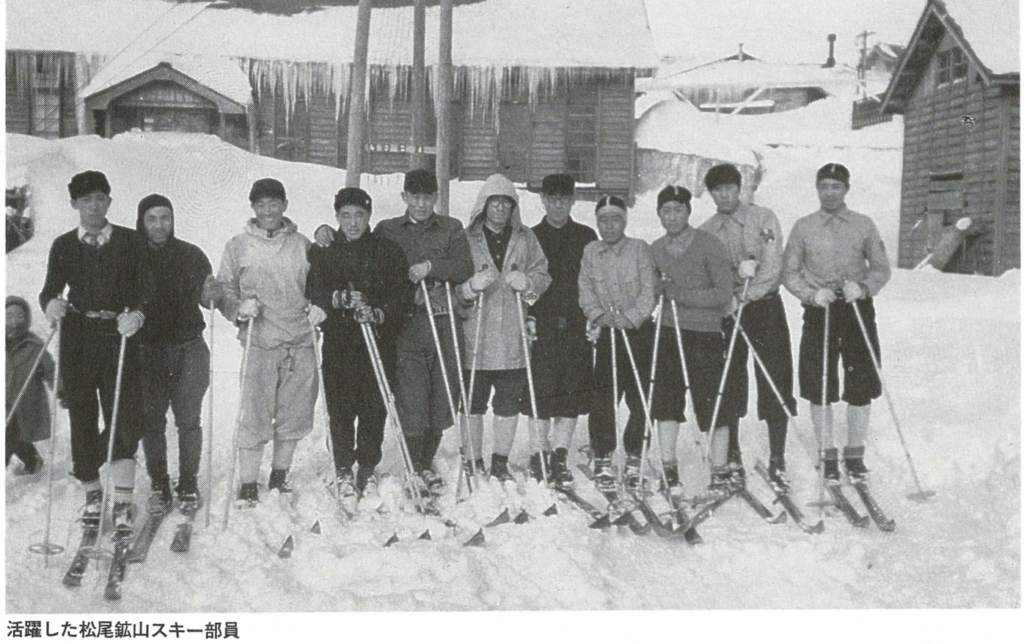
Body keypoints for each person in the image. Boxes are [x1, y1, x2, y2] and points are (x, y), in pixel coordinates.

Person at [39, 170, 151, 534]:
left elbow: (146, 288)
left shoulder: (131, 242)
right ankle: (91, 491)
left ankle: (122, 499)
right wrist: (51, 305)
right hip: (79, 337)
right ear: (74, 204)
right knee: (83, 416)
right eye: (86, 199)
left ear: (109, 202)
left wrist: (137, 312)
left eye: (100, 198)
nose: (94, 206)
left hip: (120, 335)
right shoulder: (64, 245)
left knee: (124, 414)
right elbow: (50, 290)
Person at [215, 178, 323, 506]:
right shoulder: (238, 246)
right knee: (255, 415)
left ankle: (279, 474)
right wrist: (238, 308)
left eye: (273, 204)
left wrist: (319, 305)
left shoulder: (303, 244)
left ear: (285, 205)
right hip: (260, 342)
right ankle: (248, 481)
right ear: (252, 208)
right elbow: (223, 289)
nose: (267, 211)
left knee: (294, 413)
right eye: (260, 205)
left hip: (300, 340)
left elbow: (318, 284)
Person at [782, 163, 891, 484]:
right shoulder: (804, 227)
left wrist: (865, 286)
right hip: (821, 310)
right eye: (824, 186)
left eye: (836, 186)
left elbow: (881, 268)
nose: (829, 192)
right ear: (817, 189)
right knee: (819, 381)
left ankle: (855, 453)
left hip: (857, 308)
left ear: (846, 189)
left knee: (861, 379)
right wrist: (812, 294)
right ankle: (827, 452)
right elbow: (789, 272)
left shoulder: (863, 225)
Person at [373, 169, 474, 495]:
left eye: (427, 197)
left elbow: (463, 268)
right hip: (409, 323)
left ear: (435, 198)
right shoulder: (388, 230)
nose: (420, 203)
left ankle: (426, 459)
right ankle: (415, 464)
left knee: (443, 394)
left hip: (445, 321)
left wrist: (431, 267)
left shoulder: (452, 228)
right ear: (404, 197)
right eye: (414, 197)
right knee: (412, 394)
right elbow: (373, 265)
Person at [306, 187, 410, 500]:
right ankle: (342, 467)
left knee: (373, 408)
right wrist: (336, 299)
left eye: (360, 216)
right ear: (337, 217)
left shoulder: (387, 250)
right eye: (346, 216)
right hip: (339, 342)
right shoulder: (325, 250)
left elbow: (401, 295)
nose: (353, 223)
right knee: (340, 408)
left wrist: (378, 312)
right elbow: (312, 291)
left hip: (376, 343)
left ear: (369, 217)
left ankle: (367, 466)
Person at [699, 164, 797, 489]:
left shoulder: (763, 218)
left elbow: (772, 267)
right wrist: (729, 294)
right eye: (717, 190)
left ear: (739, 188)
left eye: (729, 188)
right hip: (728, 311)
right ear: (711, 193)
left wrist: (747, 296)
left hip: (764, 307)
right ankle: (732, 453)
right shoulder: (707, 231)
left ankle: (778, 457)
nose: (724, 195)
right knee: (730, 378)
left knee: (775, 375)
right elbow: (710, 274)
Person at [454, 174, 550, 483]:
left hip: (511, 334)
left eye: (505, 203)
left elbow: (541, 278)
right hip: (476, 334)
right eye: (493, 202)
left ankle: (499, 461)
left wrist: (528, 285)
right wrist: (469, 288)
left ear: (513, 208)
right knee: (472, 401)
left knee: (507, 404)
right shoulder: (466, 238)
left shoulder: (525, 238)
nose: (499, 208)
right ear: (483, 205)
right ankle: (472, 460)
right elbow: (453, 286)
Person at [648, 186, 734, 497]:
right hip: (669, 332)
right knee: (667, 401)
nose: (672, 217)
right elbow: (652, 289)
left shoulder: (710, 245)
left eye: (678, 210)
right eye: (666, 211)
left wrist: (681, 295)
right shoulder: (655, 249)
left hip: (705, 333)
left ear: (688, 212)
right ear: (659, 214)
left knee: (710, 400)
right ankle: (669, 468)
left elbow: (724, 294)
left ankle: (720, 470)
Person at [134, 194, 215, 513]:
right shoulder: (130, 255)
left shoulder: (190, 254)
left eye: (164, 217)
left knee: (188, 419)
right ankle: (158, 482)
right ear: (142, 221)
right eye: (152, 218)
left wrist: (212, 293)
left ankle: (188, 482)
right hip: (146, 351)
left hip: (188, 348)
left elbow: (206, 298)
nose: (159, 225)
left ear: (173, 219)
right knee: (151, 421)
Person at [578, 195, 656, 493]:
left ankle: (635, 454)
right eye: (603, 220)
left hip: (637, 332)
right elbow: (585, 289)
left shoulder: (639, 249)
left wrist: (633, 317)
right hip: (608, 331)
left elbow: (649, 291)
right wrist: (598, 315)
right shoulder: (591, 251)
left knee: (639, 395)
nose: (609, 226)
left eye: (615, 219)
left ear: (624, 221)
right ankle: (602, 453)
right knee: (604, 396)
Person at [523, 174, 597, 489]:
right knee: (541, 391)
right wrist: (527, 315)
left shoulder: (585, 235)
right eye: (551, 199)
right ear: (543, 200)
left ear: (572, 201)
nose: (557, 205)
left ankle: (560, 454)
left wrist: (594, 316)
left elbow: (596, 279)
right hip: (542, 324)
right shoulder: (530, 236)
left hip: (577, 323)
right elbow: (523, 280)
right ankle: (539, 453)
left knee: (572, 392)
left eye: (563, 199)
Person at [6, 296, 55, 475]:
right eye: (9, 316)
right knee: (14, 437)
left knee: (8, 436)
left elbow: (51, 371)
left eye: (20, 316)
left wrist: (64, 391)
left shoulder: (34, 347)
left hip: (24, 403)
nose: (14, 322)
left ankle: (32, 461)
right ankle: (32, 460)